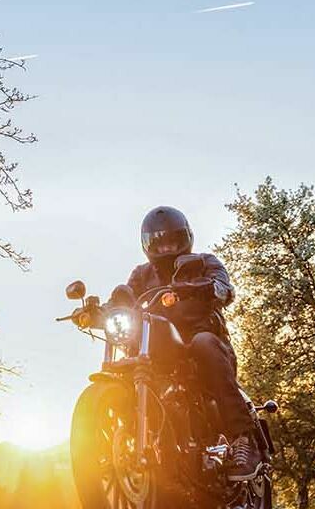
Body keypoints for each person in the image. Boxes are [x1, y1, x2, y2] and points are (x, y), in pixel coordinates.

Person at [111, 205, 259, 480]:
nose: (167, 248)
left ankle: (242, 441)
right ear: (147, 244)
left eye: (173, 241)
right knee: (126, 365)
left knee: (203, 343)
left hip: (203, 348)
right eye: (159, 242)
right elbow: (127, 296)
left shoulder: (204, 262)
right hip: (156, 352)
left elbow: (224, 289)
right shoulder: (141, 274)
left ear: (185, 238)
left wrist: (207, 288)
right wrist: (106, 308)